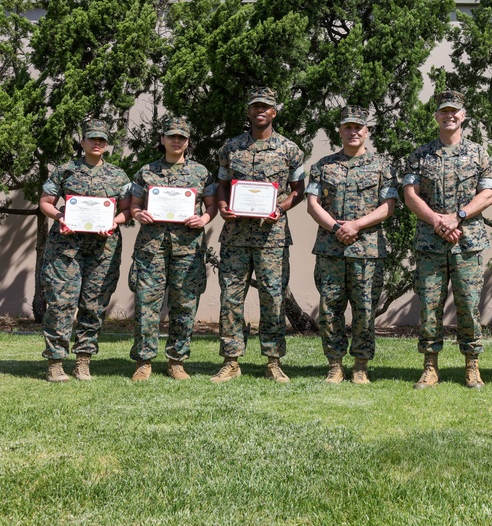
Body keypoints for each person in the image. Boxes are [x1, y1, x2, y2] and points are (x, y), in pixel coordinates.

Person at [403, 90, 492, 389]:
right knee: (430, 305)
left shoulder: (479, 153)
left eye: (454, 111)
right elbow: (410, 195)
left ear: (463, 115)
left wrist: (458, 216)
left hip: (467, 244)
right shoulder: (420, 155)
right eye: (444, 111)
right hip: (431, 243)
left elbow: (488, 194)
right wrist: (437, 221)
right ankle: (430, 367)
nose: (449, 116)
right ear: (436, 117)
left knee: (469, 306)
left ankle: (472, 365)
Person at [211, 87, 306, 383]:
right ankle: (231, 360)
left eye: (265, 107)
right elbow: (223, 183)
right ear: (249, 112)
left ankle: (273, 361)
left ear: (274, 112)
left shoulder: (290, 149)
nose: (260, 111)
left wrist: (284, 207)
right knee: (230, 299)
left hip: (272, 237)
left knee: (273, 299)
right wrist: (224, 205)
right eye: (255, 106)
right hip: (236, 237)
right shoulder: (231, 147)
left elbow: (298, 189)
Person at [306, 105, 397, 384]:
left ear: (366, 131)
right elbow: (313, 205)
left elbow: (388, 207)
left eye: (358, 127)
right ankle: (335, 365)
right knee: (330, 308)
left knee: (365, 309)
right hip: (331, 249)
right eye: (348, 127)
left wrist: (356, 225)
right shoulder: (322, 166)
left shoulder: (382, 166)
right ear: (340, 131)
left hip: (367, 250)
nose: (353, 131)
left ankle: (360, 365)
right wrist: (336, 227)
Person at [38, 119, 132, 382]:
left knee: (94, 305)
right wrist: (60, 217)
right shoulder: (66, 171)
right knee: (60, 303)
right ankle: (56, 362)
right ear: (83, 142)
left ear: (107, 144)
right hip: (66, 248)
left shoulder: (118, 176)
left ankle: (83, 361)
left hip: (103, 249)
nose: (98, 143)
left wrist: (113, 222)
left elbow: (126, 210)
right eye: (93, 139)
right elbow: (45, 202)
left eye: (102, 139)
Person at [128, 117, 217, 381]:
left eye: (182, 137)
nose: (176, 141)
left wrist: (203, 219)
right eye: (172, 136)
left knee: (185, 304)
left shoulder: (201, 173)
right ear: (163, 139)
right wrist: (137, 213)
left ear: (188, 142)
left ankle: (176, 361)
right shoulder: (146, 172)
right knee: (146, 303)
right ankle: (144, 361)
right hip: (151, 248)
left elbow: (211, 206)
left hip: (187, 249)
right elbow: (133, 204)